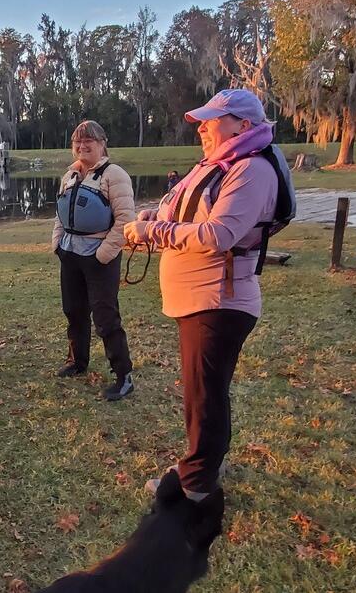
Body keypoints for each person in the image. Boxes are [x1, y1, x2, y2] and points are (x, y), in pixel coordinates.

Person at [125, 89, 285, 503]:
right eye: (202, 121)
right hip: (200, 298)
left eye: (212, 120)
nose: (202, 128)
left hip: (219, 301)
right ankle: (206, 461)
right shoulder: (222, 163)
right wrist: (154, 216)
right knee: (205, 390)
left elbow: (218, 234)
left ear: (243, 125)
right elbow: (187, 210)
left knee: (205, 394)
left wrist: (153, 233)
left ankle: (197, 483)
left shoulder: (251, 170)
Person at [51, 120, 136, 401]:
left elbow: (125, 220)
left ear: (102, 144)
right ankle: (78, 361)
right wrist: (57, 244)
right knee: (74, 311)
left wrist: (104, 254)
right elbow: (61, 213)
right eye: (77, 142)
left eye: (89, 141)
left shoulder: (115, 175)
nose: (82, 145)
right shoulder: (70, 175)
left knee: (105, 316)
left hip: (100, 257)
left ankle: (124, 375)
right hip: (70, 253)